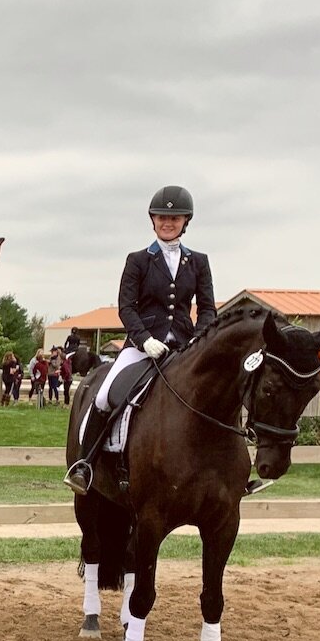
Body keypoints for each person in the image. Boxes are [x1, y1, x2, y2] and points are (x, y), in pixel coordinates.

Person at [64, 185, 216, 495]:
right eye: (162, 217)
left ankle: (225, 470)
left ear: (186, 221)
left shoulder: (199, 262)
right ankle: (84, 465)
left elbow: (208, 309)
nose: (167, 223)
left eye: (174, 218)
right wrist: (144, 340)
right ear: (153, 220)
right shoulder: (138, 260)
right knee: (106, 395)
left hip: (185, 348)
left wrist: (198, 343)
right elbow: (126, 307)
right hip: (143, 347)